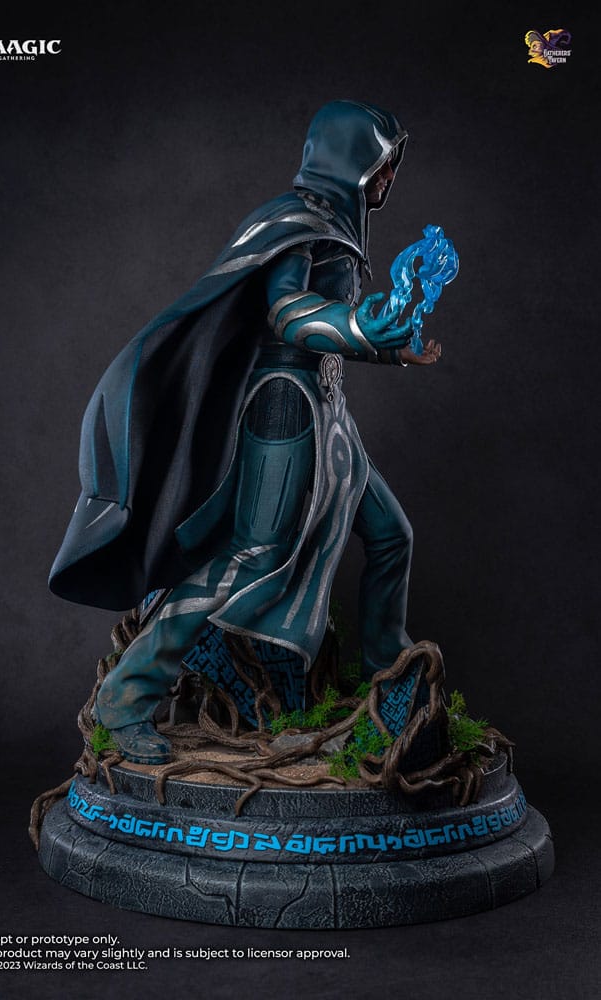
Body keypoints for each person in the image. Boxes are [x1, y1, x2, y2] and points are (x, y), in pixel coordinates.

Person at [50, 100, 443, 763]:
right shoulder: (293, 221)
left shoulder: (336, 226)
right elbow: (287, 314)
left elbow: (334, 328)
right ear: (350, 161)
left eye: (391, 165)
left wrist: (388, 348)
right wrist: (358, 327)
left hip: (326, 408)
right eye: (382, 163)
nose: (388, 179)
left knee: (389, 534)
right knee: (251, 556)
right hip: (283, 408)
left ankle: (384, 672)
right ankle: (126, 700)